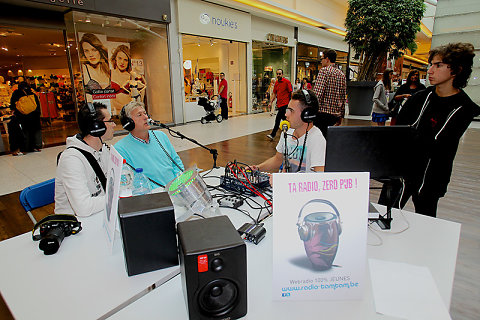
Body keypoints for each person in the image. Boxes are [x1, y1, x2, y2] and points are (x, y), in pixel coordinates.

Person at [383, 42, 480, 217]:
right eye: (431, 64)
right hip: (401, 170)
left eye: (438, 65)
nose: (430, 70)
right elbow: (397, 133)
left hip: (432, 175)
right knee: (385, 215)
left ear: (456, 70)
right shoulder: (419, 98)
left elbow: (442, 143)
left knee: (426, 220)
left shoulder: (465, 108)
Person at [55, 102, 116, 217]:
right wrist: (117, 197)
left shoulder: (103, 150)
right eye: (110, 121)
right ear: (96, 126)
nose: (114, 125)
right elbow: (83, 208)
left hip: (100, 213)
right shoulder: (72, 159)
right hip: (77, 224)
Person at [115, 101, 184, 188]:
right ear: (128, 123)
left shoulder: (161, 136)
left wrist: (179, 182)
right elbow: (130, 182)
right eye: (139, 115)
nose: (146, 117)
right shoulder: (120, 149)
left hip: (176, 188)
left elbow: (176, 162)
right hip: (153, 195)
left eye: (145, 113)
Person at [254, 89, 326, 173]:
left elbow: (320, 175)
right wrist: (257, 168)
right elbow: (278, 159)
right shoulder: (288, 131)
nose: (286, 114)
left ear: (307, 115)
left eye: (291, 111)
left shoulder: (316, 139)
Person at [312, 49, 346, 138]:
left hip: (322, 113)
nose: (321, 61)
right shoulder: (341, 74)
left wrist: (311, 108)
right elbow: (343, 97)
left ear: (327, 59)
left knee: (319, 139)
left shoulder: (324, 71)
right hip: (334, 114)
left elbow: (317, 94)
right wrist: (341, 115)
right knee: (328, 139)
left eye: (322, 58)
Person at [9, 78, 42, 155]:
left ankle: (23, 148)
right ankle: (33, 146)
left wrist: (14, 111)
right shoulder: (32, 93)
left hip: (22, 116)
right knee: (33, 132)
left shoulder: (16, 93)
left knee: (23, 133)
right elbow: (37, 104)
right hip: (33, 116)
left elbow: (13, 104)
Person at [79, 33, 111, 98]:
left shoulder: (108, 68)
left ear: (99, 50)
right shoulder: (84, 69)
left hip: (110, 106)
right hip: (94, 107)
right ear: (83, 53)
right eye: (86, 51)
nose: (91, 54)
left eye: (94, 50)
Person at [267, 69, 293, 140]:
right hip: (279, 104)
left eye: (280, 74)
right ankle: (292, 131)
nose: (278, 75)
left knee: (278, 119)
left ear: (282, 74)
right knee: (285, 119)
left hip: (285, 104)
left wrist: (291, 103)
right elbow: (274, 93)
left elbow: (291, 92)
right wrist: (271, 102)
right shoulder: (276, 83)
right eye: (277, 74)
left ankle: (273, 134)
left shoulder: (287, 82)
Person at [110, 44, 133, 114]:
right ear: (115, 58)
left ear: (128, 62)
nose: (122, 62)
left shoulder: (131, 76)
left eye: (125, 60)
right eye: (120, 58)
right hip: (114, 113)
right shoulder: (109, 74)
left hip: (128, 112)